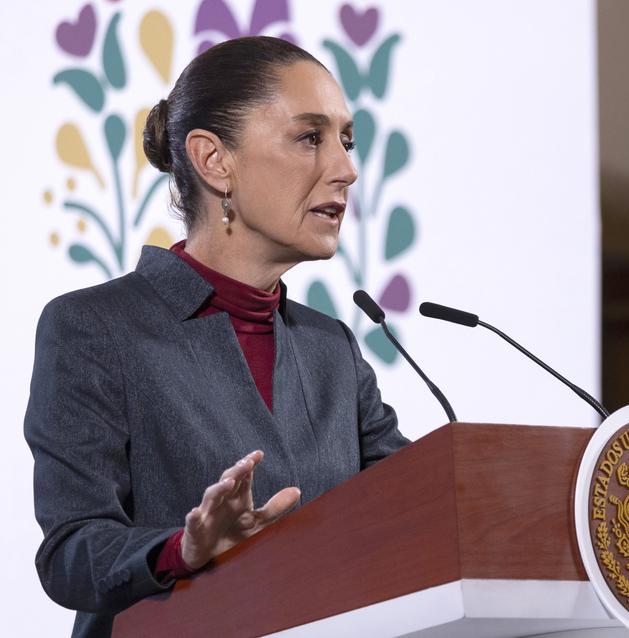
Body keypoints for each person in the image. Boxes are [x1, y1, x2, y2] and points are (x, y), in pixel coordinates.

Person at [24, 36, 409, 638]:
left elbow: (419, 504)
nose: (346, 169)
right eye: (311, 138)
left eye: (346, 140)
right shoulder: (94, 327)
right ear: (213, 161)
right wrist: (184, 549)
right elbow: (70, 553)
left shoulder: (332, 346)